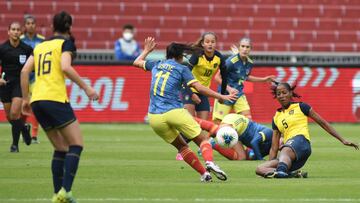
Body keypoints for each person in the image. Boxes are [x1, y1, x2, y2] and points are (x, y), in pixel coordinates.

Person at [132, 37, 238, 182]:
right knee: (203, 139)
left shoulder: (157, 64)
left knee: (182, 147)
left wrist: (146, 51)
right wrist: (222, 96)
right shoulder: (182, 68)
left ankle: (204, 174)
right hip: (173, 112)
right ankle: (210, 163)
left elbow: (136, 62)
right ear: (180, 56)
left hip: (154, 118)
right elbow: (199, 88)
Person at [20, 11, 99, 202]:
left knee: (60, 148)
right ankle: (66, 191)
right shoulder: (66, 43)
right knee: (76, 144)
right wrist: (87, 87)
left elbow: (24, 71)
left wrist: (25, 99)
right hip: (54, 98)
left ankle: (57, 194)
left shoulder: (40, 46)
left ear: (51, 27)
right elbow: (65, 67)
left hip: (37, 100)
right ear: (69, 27)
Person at [256, 82, 359, 178]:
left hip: (301, 143)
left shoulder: (301, 107)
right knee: (260, 169)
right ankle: (289, 174)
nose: (281, 96)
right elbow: (274, 147)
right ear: (276, 97)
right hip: (290, 156)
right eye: (278, 94)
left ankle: (282, 171)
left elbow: (323, 123)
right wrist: (271, 167)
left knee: (285, 150)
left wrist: (342, 140)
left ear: (291, 93)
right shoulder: (276, 118)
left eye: (284, 92)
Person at [212, 37, 275, 123]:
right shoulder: (231, 61)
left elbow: (246, 77)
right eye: (243, 46)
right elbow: (217, 77)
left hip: (239, 94)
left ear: (251, 49)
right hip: (225, 94)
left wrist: (263, 80)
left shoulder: (249, 63)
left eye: (247, 47)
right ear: (239, 47)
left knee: (248, 122)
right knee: (217, 125)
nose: (245, 49)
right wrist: (229, 89)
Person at [0, 22, 32, 152]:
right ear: (8, 32)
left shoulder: (26, 49)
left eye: (18, 30)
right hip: (5, 84)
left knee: (14, 113)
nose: (15, 32)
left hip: (19, 83)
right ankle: (24, 128)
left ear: (21, 32)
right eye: (13, 29)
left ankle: (15, 145)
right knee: (10, 117)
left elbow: (33, 65)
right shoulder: (2, 49)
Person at [182, 31, 229, 120]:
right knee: (190, 123)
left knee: (203, 124)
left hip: (203, 92)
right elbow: (184, 75)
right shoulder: (197, 55)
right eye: (207, 42)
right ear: (203, 44)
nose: (210, 44)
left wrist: (222, 95)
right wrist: (191, 94)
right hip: (189, 89)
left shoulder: (219, 57)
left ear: (216, 43)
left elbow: (225, 77)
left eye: (212, 42)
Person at [194, 114, 273, 160]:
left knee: (242, 157)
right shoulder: (269, 133)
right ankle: (191, 119)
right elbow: (254, 142)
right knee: (241, 157)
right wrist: (260, 160)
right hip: (239, 127)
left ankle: (212, 143)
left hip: (237, 129)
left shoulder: (271, 146)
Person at [20, 14, 45, 144]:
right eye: (28, 23)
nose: (30, 25)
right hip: (23, 77)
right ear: (25, 26)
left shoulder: (42, 40)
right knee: (22, 106)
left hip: (36, 78)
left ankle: (34, 135)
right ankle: (23, 131)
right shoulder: (19, 40)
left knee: (36, 105)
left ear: (36, 25)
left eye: (32, 23)